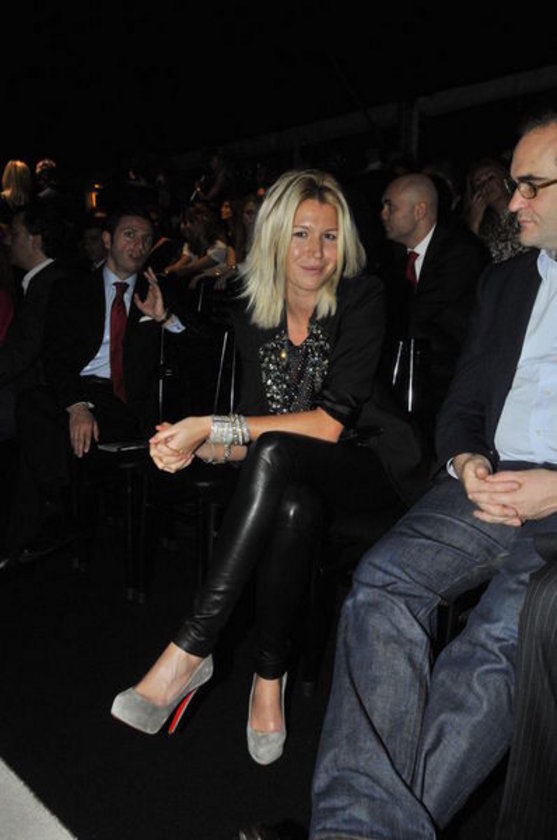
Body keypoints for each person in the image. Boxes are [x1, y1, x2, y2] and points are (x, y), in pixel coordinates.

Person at [111, 169, 427, 765]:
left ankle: (192, 648)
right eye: (301, 234)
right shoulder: (256, 311)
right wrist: (196, 447)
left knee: (280, 459)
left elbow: (328, 426)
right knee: (291, 503)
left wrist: (211, 425)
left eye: (329, 237)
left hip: (373, 473)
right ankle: (268, 675)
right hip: (297, 481)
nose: (315, 252)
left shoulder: (362, 296)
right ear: (276, 237)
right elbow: (259, 434)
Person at [309, 112, 557, 840]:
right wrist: (464, 460)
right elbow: (464, 401)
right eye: (511, 185)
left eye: (531, 186)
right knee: (381, 584)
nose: (511, 203)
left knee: (497, 644)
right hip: (486, 482)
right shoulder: (506, 281)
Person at [379, 172, 489, 450]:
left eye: (390, 206)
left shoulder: (460, 252)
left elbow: (416, 315)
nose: (383, 214)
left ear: (420, 210)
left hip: (450, 376)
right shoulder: (391, 256)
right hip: (411, 371)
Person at [463, 156, 527, 263]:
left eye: (490, 178)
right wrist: (474, 222)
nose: (486, 185)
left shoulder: (526, 207)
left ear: (505, 178)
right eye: (479, 184)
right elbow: (467, 259)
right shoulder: (482, 227)